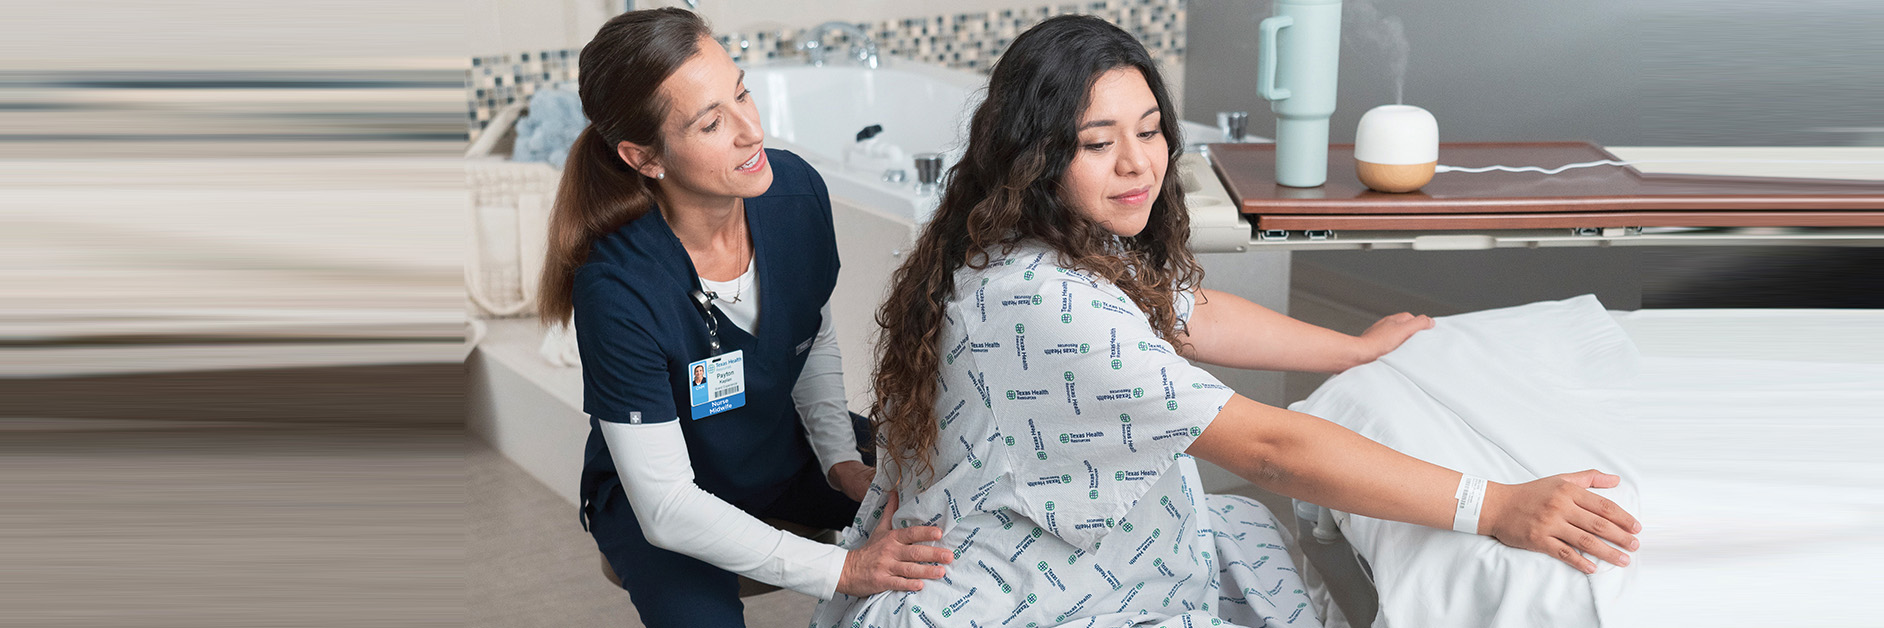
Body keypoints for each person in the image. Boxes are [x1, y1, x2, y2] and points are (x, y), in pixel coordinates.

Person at [812, 15, 1642, 628]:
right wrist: (1493, 506)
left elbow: (1187, 310)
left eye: (1149, 132)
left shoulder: (1031, 238)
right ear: (1036, 154)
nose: (1139, 163)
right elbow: (1271, 449)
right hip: (1019, 599)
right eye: (1099, 143)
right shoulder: (1051, 305)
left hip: (1020, 552)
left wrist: (1352, 348)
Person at [536, 9, 950, 627]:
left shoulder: (794, 195)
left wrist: (840, 461)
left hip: (783, 452)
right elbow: (668, 507)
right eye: (711, 122)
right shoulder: (619, 286)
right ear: (645, 157)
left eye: (742, 93)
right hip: (662, 500)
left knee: (949, 504)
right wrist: (843, 567)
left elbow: (807, 333)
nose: (751, 130)